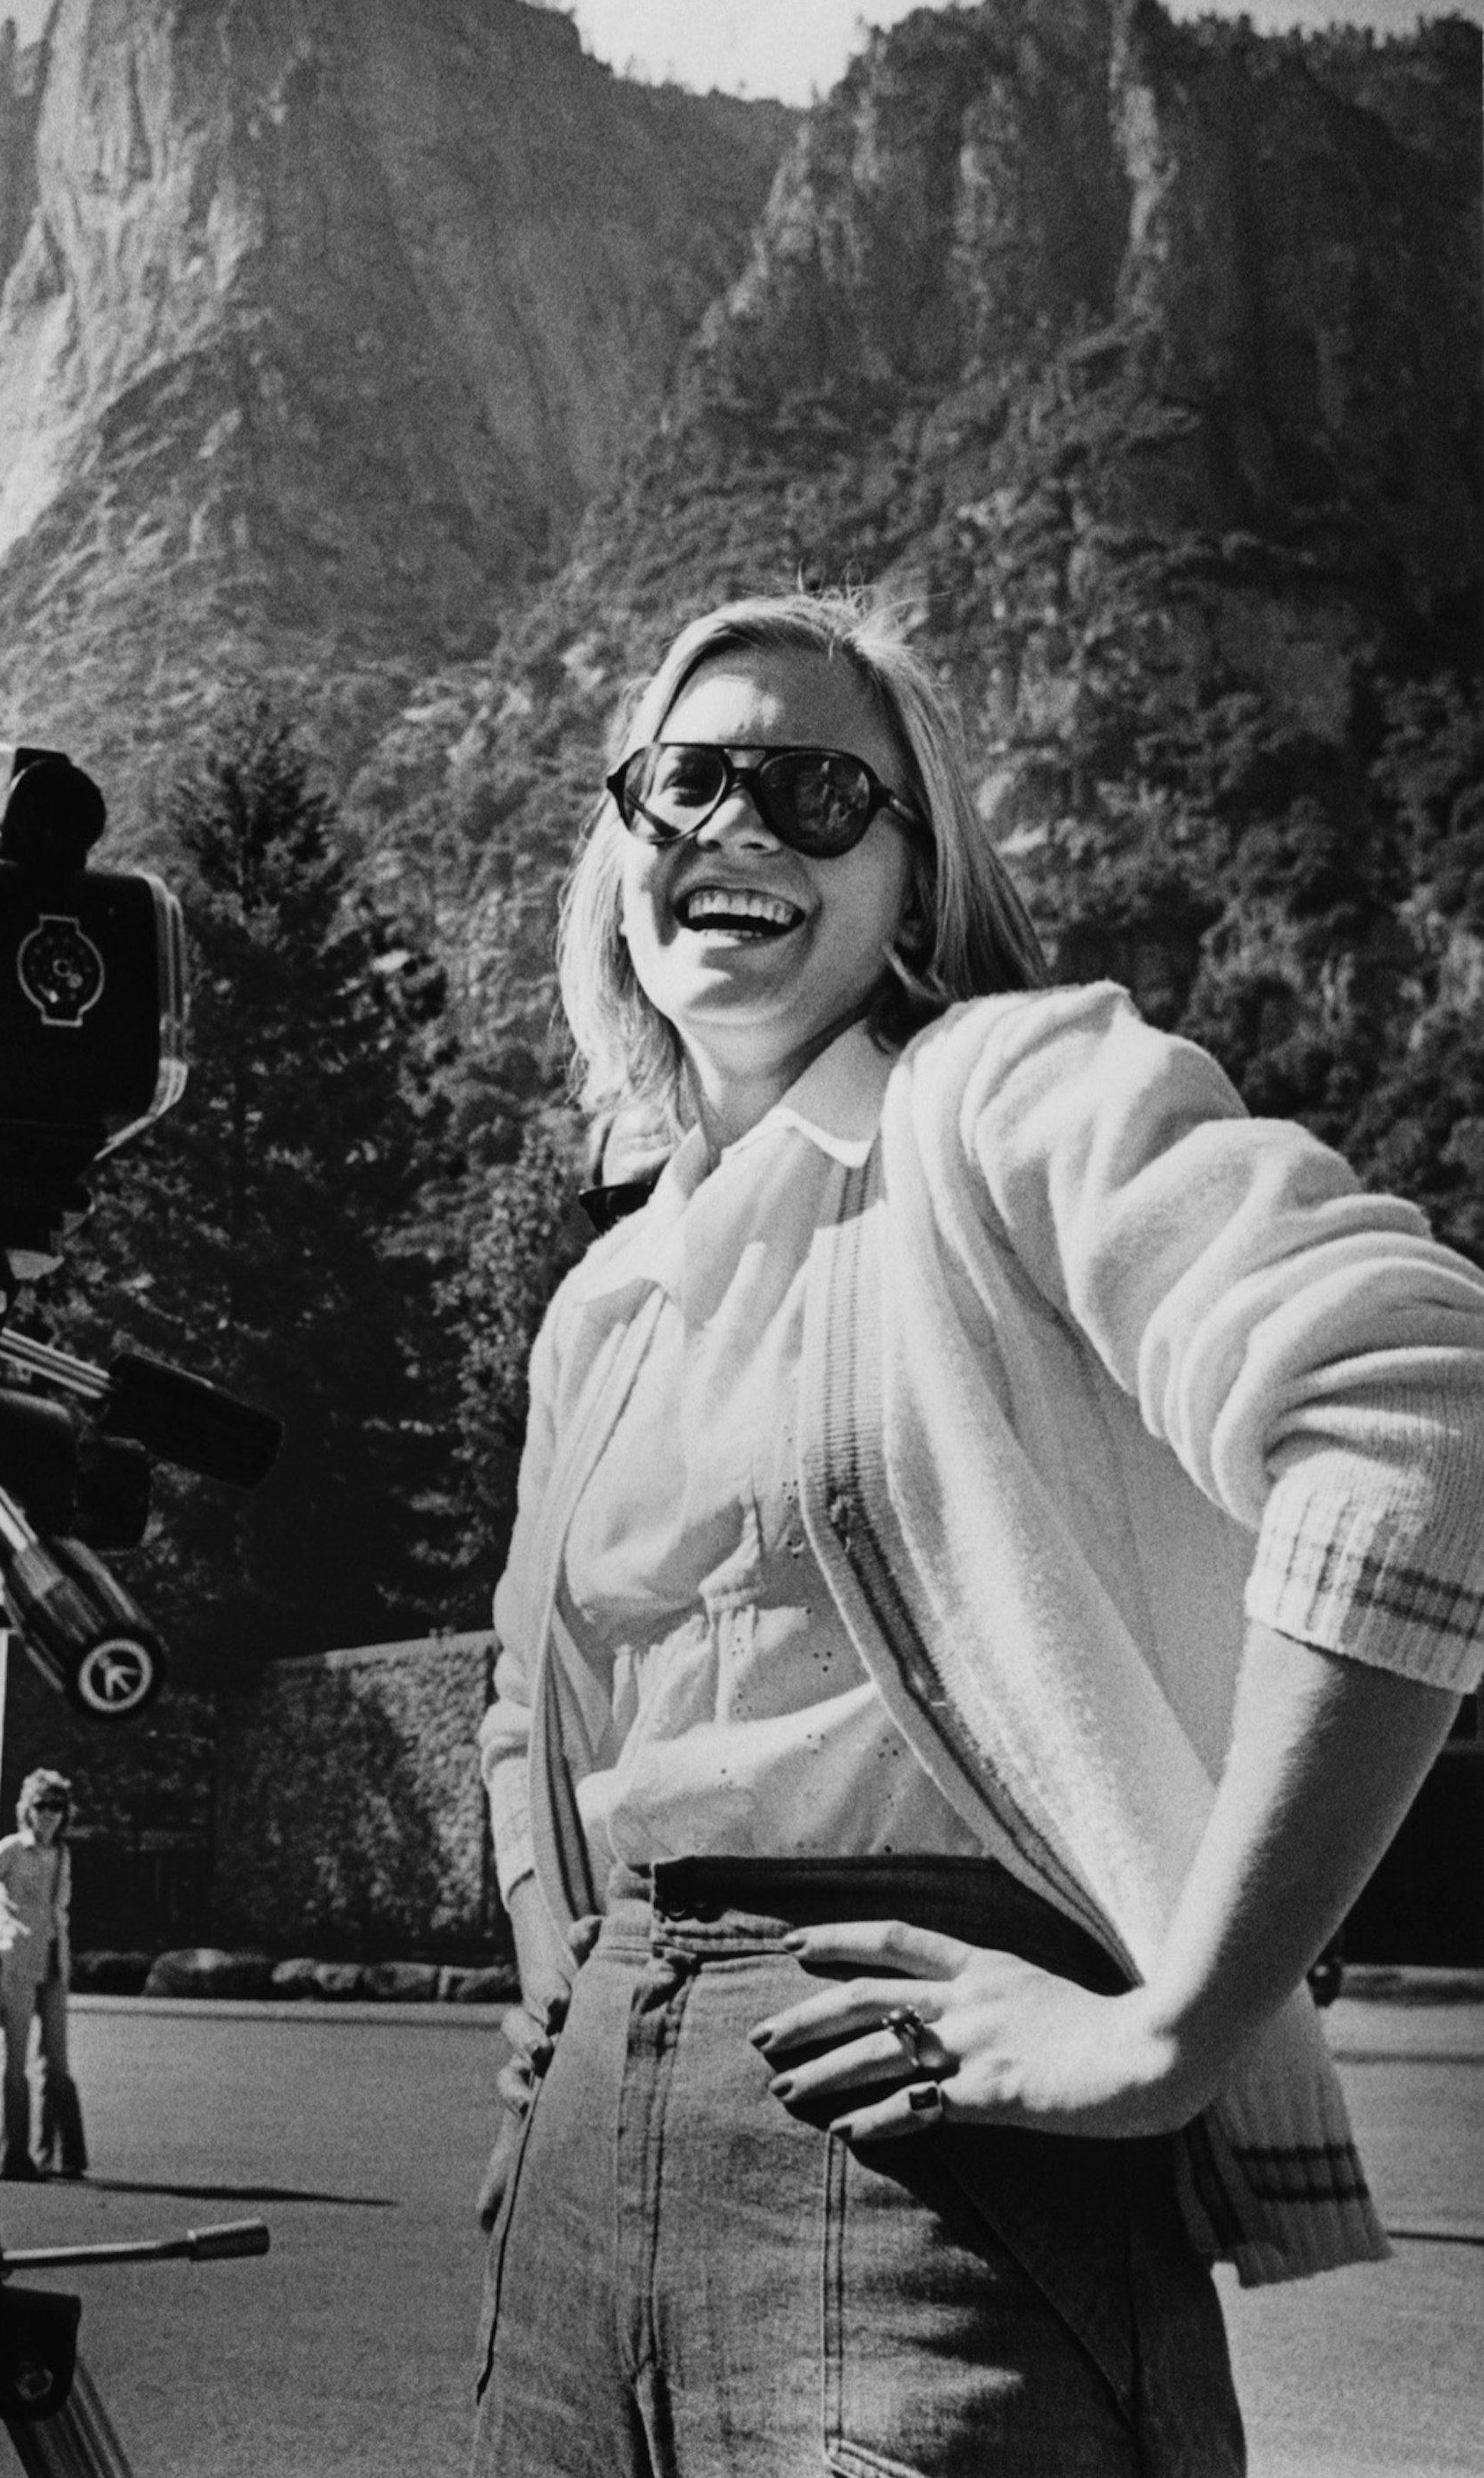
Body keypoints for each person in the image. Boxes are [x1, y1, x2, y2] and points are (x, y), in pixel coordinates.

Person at [470, 590, 1484, 2474]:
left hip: (934, 2159)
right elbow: (533, 1701)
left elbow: (1423, 1405)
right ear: (621, 844)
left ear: (918, 884)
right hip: (581, 2180)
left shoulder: (1000, 1097)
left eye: (816, 790)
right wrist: (560, 1979)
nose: (741, 827)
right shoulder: (599, 1301)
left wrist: (1171, 2028)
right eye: (688, 781)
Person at [0, 1767, 85, 2182]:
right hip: (15, 1963)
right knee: (15, 2063)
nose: (49, 1814)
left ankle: (62, 2155)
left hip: (53, 1965)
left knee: (59, 2063)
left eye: (56, 1807)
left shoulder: (62, 1855)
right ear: (26, 1809)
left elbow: (59, 1912)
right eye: (41, 1805)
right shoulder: (10, 1850)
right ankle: (13, 2158)